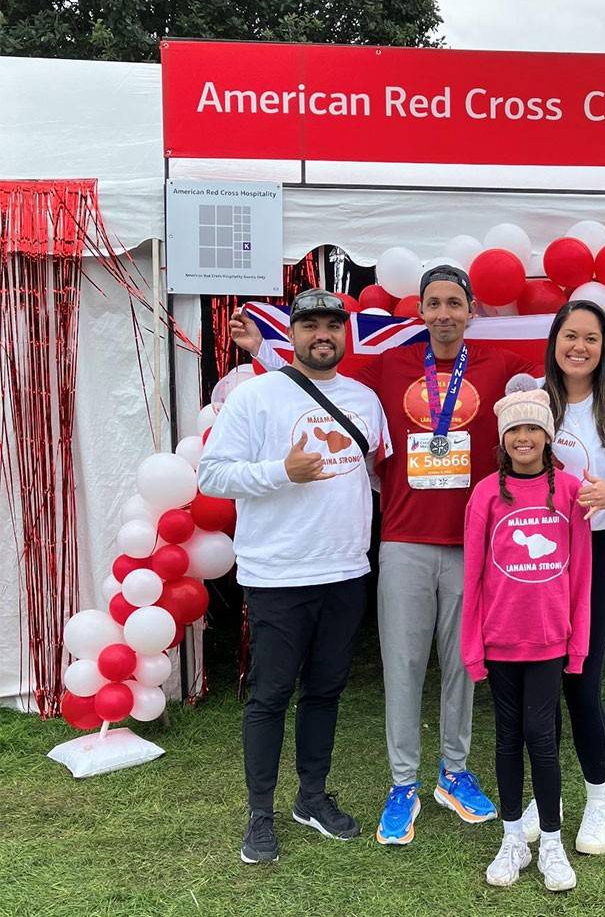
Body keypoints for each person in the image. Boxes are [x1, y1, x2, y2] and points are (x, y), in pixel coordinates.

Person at [229, 265, 605, 847]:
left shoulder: (500, 369)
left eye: (454, 303)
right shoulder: (386, 370)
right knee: (403, 667)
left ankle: (454, 771)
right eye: (433, 304)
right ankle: (402, 784)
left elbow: (587, 376)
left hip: (477, 545)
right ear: (419, 311)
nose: (443, 313)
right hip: (404, 540)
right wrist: (266, 353)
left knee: (467, 666)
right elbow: (317, 383)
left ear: (471, 310)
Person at [200, 289, 391, 864]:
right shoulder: (256, 396)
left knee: (326, 690)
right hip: (278, 572)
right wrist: (278, 471)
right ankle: (261, 814)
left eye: (334, 324)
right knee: (270, 695)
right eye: (310, 325)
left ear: (345, 334)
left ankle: (311, 798)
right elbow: (212, 475)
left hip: (346, 568)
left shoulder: (364, 399)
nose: (323, 334)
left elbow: (379, 475)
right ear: (294, 332)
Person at [513, 299, 605, 858]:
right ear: (554, 341)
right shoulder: (532, 402)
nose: (579, 347)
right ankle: (543, 800)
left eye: (592, 339)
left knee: (582, 683)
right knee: (540, 684)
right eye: (569, 335)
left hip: (595, 556)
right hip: (538, 561)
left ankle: (597, 800)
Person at [462, 388, 591, 891]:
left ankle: (552, 845)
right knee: (507, 737)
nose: (524, 437)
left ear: (548, 435)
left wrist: (576, 644)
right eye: (514, 429)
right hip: (499, 642)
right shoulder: (485, 494)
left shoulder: (571, 491)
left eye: (533, 428)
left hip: (548, 642)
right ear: (503, 438)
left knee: (542, 736)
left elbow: (580, 576)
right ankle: (512, 837)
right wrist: (473, 648)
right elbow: (472, 577)